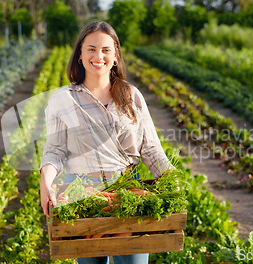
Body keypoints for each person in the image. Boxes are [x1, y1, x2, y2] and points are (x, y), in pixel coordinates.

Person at [39, 20, 174, 264]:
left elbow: (151, 148)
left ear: (115, 56)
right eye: (91, 48)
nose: (98, 55)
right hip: (82, 195)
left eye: (105, 50)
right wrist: (45, 181)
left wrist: (172, 179)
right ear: (80, 54)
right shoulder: (62, 100)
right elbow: (55, 151)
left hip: (128, 193)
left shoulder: (131, 96)